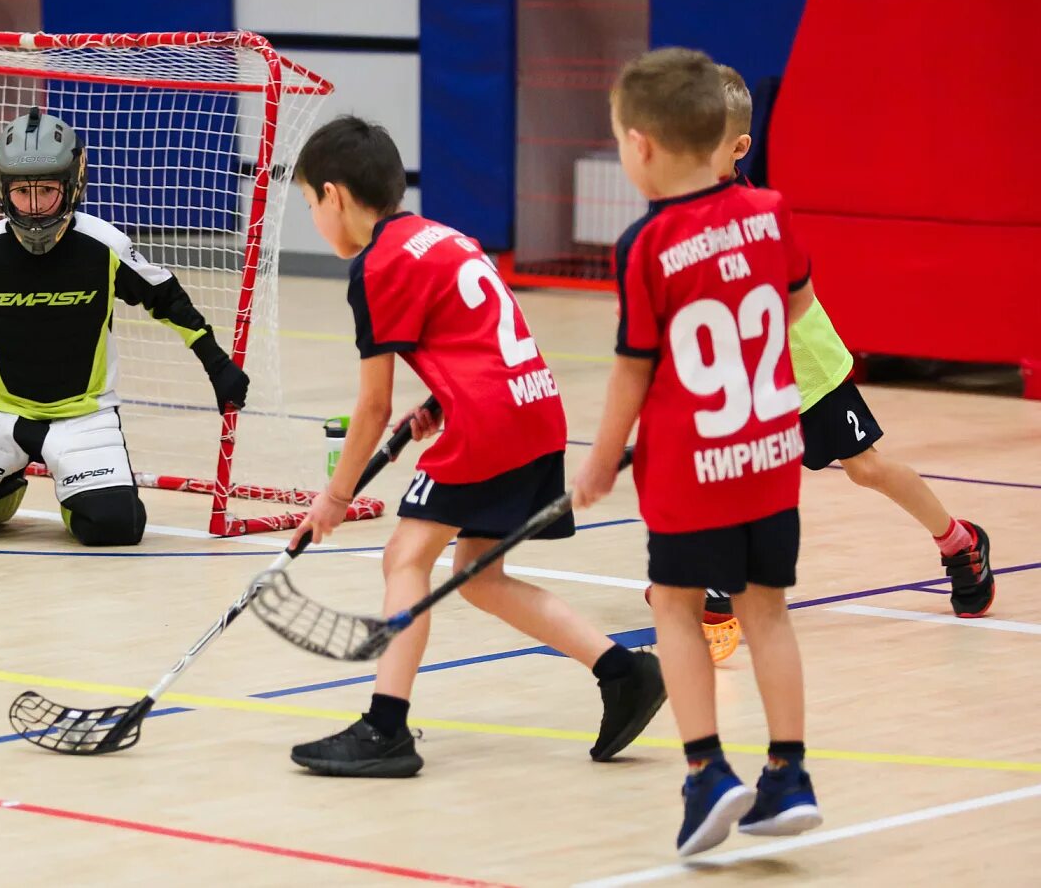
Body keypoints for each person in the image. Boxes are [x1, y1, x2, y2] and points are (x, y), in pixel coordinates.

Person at [285, 115, 666, 778]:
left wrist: (337, 495)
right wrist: (439, 398)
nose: (315, 215)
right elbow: (481, 334)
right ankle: (623, 670)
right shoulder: (445, 237)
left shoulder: (374, 266)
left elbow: (371, 405)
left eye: (311, 203)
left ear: (335, 195)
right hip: (535, 410)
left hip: (489, 424)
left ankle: (386, 728)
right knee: (481, 575)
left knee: (405, 554)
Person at [571, 48, 821, 855]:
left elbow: (631, 373)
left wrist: (602, 459)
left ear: (640, 146)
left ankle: (707, 769)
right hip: (772, 450)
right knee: (768, 613)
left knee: (674, 605)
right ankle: (788, 774)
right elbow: (797, 305)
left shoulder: (647, 246)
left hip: (691, 466)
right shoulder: (773, 211)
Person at [709, 65, 995, 618]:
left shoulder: (753, 214)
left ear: (740, 146)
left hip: (804, 364)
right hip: (749, 373)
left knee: (865, 468)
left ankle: (960, 541)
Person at [0, 107, 248, 546]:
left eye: (47, 190)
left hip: (84, 416)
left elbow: (167, 299)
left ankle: (74, 487)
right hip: (2, 413)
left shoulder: (105, 246)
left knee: (115, 527)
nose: (35, 207)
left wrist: (216, 365)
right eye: (22, 192)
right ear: (3, 189)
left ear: (74, 183)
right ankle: (7, 484)